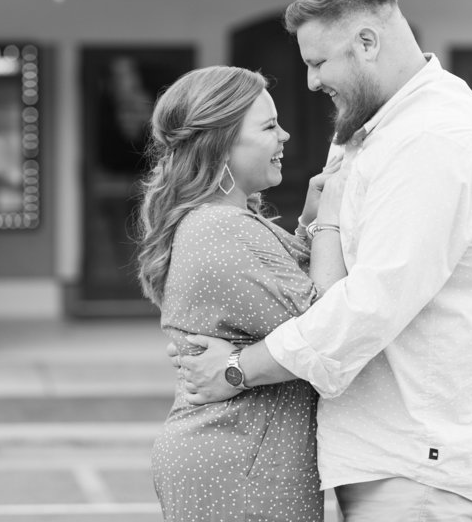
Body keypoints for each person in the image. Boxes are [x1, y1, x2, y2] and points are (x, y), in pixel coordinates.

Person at [179, 0, 472, 521]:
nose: (311, 82)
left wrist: (237, 370)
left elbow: (371, 302)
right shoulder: (385, 132)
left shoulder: (433, 141)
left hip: (420, 469)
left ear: (367, 41)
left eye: (319, 62)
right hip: (401, 461)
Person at [135, 65, 348, 522]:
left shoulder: (225, 222)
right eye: (269, 126)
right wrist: (331, 217)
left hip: (245, 454)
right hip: (240, 463)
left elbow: (286, 298)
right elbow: (330, 323)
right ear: (221, 144)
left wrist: (308, 225)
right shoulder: (220, 228)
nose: (286, 135)